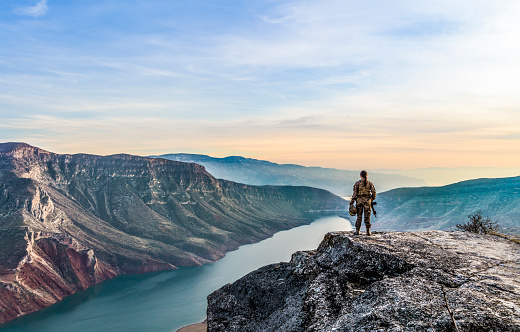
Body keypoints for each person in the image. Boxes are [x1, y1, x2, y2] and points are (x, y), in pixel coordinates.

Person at [350, 170, 376, 236]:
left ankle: (357, 231)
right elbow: (374, 192)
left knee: (359, 216)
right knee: (367, 216)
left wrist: (352, 202)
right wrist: (371, 199)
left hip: (359, 201)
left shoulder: (357, 183)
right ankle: (368, 231)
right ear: (366, 175)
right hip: (367, 202)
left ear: (360, 176)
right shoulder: (370, 183)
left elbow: (354, 194)